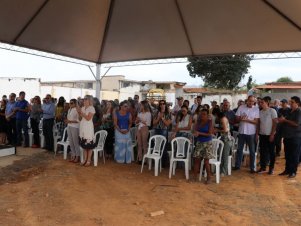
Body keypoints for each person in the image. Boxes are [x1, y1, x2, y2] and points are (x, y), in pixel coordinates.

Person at [233, 95, 259, 173]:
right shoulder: (241, 107)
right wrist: (241, 118)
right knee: (239, 149)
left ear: (254, 102)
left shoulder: (256, 109)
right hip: (241, 132)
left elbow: (256, 122)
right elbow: (236, 118)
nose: (251, 102)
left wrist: (247, 120)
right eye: (250, 101)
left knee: (252, 151)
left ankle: (252, 168)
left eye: (253, 101)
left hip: (251, 133)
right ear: (247, 100)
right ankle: (237, 166)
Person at [278, 96, 301, 178]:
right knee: (287, 155)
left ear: (297, 103)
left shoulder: (299, 111)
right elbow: (285, 121)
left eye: (292, 102)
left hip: (295, 137)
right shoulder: (289, 111)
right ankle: (287, 170)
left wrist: (285, 120)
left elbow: (296, 124)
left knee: (294, 155)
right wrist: (282, 120)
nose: (290, 103)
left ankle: (293, 172)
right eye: (290, 102)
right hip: (287, 136)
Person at [257, 96, 278, 175]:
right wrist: (257, 133)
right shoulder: (260, 112)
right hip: (262, 135)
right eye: (260, 102)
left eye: (262, 102)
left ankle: (271, 168)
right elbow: (259, 123)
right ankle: (263, 167)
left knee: (271, 152)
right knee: (262, 151)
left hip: (270, 135)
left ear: (267, 103)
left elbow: (275, 123)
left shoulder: (272, 111)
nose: (260, 104)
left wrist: (272, 134)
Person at [192, 109, 213, 184]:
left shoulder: (209, 122)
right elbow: (194, 131)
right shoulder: (198, 122)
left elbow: (210, 133)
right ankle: (194, 177)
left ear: (207, 115)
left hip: (207, 143)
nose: (202, 115)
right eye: (201, 114)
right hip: (199, 142)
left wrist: (199, 133)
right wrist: (195, 133)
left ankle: (209, 178)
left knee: (206, 161)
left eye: (204, 114)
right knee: (196, 160)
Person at [77, 95, 96, 166]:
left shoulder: (92, 108)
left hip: (88, 127)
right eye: (84, 99)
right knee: (84, 145)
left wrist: (82, 113)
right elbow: (79, 118)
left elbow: (88, 118)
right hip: (82, 126)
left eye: (86, 99)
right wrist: (79, 113)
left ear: (89, 101)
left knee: (89, 145)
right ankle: (85, 159)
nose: (84, 101)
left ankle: (89, 160)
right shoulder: (82, 108)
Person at [153, 100, 172, 168]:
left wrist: (162, 118)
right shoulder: (156, 112)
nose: (162, 105)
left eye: (163, 104)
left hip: (164, 130)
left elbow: (167, 124)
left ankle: (164, 163)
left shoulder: (168, 113)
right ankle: (157, 163)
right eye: (160, 104)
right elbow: (153, 123)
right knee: (157, 146)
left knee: (163, 147)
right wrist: (158, 118)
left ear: (165, 105)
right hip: (157, 130)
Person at [214, 110, 232, 176]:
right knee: (221, 155)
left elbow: (225, 130)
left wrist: (217, 130)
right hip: (224, 139)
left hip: (227, 140)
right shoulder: (222, 119)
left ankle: (224, 171)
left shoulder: (223, 119)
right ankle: (220, 170)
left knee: (225, 156)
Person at [65, 99, 80, 163]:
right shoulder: (69, 109)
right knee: (71, 142)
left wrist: (70, 121)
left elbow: (78, 120)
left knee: (75, 142)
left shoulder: (77, 109)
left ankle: (77, 156)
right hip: (69, 126)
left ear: (75, 103)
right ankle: (73, 155)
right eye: (70, 103)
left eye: (72, 103)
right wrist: (67, 121)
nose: (70, 104)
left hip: (75, 127)